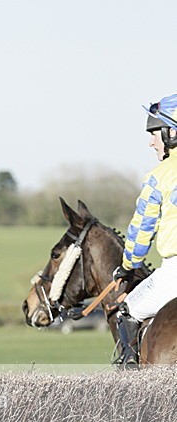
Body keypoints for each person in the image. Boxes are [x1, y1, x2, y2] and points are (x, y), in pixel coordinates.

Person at [112, 94, 177, 366]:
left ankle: (131, 383)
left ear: (172, 132)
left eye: (155, 133)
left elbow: (141, 233)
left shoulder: (158, 177)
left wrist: (128, 266)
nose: (151, 142)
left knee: (125, 312)